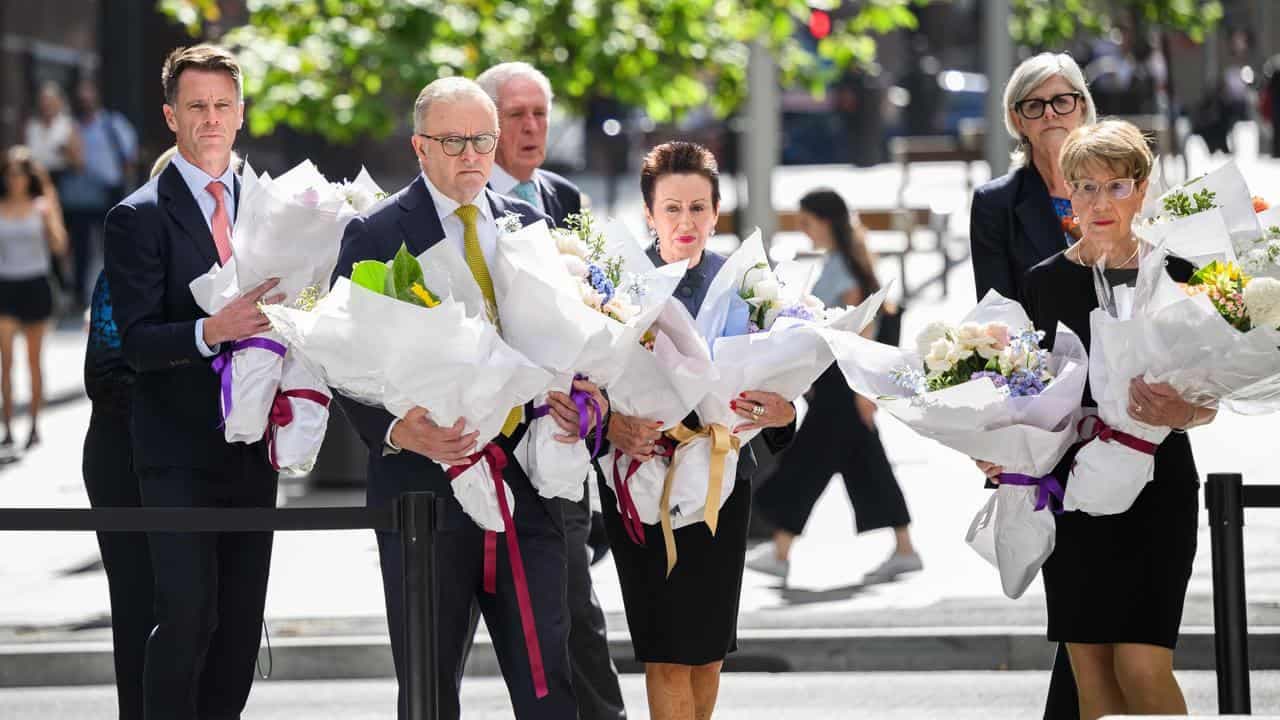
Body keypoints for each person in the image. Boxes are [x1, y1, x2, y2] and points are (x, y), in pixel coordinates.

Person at [332, 76, 600, 720]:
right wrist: (399, 431)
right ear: (420, 146)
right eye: (453, 141)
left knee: (549, 688)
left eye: (482, 139)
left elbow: (562, 342)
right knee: (428, 695)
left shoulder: (529, 224)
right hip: (423, 492)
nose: (472, 154)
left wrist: (577, 397)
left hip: (525, 489)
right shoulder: (373, 233)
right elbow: (341, 359)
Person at [978, 120, 1211, 720]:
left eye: (1115, 186)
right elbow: (1026, 389)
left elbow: (1211, 393)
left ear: (1142, 188)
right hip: (1070, 489)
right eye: (1084, 187)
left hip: (1159, 482)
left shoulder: (1179, 273)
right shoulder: (1044, 283)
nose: (1099, 202)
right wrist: (999, 445)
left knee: (1141, 666)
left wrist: (1185, 410)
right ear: (1068, 196)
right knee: (1091, 676)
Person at [103, 45, 283, 719]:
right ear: (171, 116)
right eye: (197, 106)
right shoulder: (137, 215)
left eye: (223, 105)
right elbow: (138, 344)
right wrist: (213, 329)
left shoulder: (273, 207)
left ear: (240, 114)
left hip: (255, 450)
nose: (211, 119)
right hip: (176, 452)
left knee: (240, 631)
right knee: (187, 619)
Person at [598, 141, 796, 720]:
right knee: (665, 655)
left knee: (708, 655)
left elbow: (782, 390)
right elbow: (579, 382)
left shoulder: (750, 284)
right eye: (672, 209)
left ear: (716, 212)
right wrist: (610, 425)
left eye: (698, 208)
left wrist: (781, 413)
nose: (686, 222)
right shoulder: (615, 285)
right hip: (642, 478)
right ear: (649, 213)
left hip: (721, 477)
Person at [478, 61, 627, 720]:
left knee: (572, 608)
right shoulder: (468, 198)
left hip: (567, 442)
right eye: (516, 114)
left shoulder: (564, 196)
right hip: (488, 443)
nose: (533, 127)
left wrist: (594, 393)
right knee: (539, 617)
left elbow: (601, 308)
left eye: (540, 112)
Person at [969, 51, 1097, 720]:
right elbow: (994, 318)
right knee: (1078, 605)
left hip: (1131, 416)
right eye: (1034, 105)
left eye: (1063, 99)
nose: (1051, 115)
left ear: (1084, 102)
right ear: (1015, 120)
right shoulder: (998, 203)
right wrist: (1000, 429)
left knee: (1115, 614)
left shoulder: (1123, 182)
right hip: (1048, 426)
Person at [746, 189, 920, 585]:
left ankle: (781, 550)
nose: (805, 232)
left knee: (806, 464)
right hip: (837, 385)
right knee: (864, 464)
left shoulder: (845, 266)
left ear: (825, 221)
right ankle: (904, 548)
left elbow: (864, 328)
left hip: (843, 387)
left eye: (807, 223)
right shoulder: (845, 262)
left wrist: (863, 393)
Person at [80, 144, 181, 720]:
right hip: (126, 455)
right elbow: (106, 374)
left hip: (182, 457)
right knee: (140, 605)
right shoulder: (129, 256)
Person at [0, 147, 67, 450]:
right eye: (10, 173)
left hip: (36, 285)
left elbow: (59, 246)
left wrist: (49, 215)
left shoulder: (42, 205)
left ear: (29, 177)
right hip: (6, 286)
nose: (14, 179)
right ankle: (8, 426)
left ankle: (35, 424)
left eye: (19, 173)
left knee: (33, 361)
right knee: (6, 362)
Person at [63, 79, 138, 310]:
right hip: (80, 197)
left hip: (110, 193)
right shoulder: (69, 127)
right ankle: (79, 296)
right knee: (81, 249)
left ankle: (116, 291)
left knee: (114, 246)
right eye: (81, 96)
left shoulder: (113, 124)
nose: (85, 100)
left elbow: (129, 157)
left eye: (89, 95)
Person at [24, 82, 82, 189]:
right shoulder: (31, 126)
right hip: (35, 179)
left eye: (50, 101)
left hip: (61, 179)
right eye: (44, 101)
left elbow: (79, 163)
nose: (47, 105)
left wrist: (66, 151)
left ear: (59, 102)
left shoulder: (68, 125)